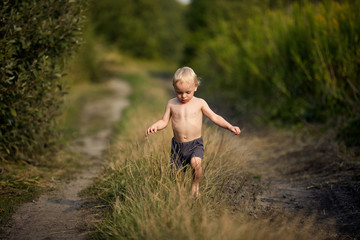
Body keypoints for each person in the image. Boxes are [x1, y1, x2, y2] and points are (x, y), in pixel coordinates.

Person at [145, 67, 241, 198]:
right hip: (177, 146)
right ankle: (181, 192)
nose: (183, 96)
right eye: (179, 92)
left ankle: (195, 186)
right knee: (177, 174)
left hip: (195, 144)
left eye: (187, 92)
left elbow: (215, 117)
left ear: (195, 87)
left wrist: (230, 126)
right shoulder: (171, 104)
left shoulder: (199, 103)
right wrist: (155, 126)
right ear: (174, 88)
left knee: (196, 164)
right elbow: (164, 121)